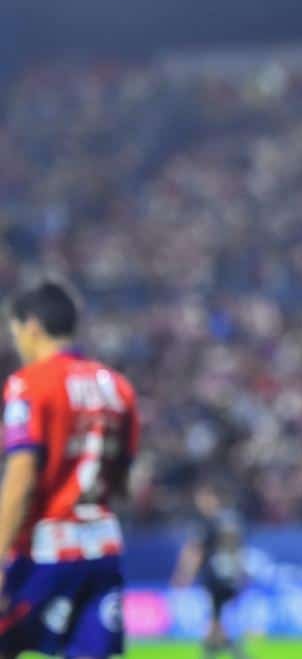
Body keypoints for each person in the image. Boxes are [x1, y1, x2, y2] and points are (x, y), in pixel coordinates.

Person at [0, 280, 138, 659]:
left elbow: (22, 476)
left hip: (46, 550)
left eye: (15, 332)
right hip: (103, 548)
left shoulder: (30, 384)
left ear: (31, 326)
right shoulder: (118, 387)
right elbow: (122, 479)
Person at [171, 484, 248, 659]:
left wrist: (185, 575)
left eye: (203, 498)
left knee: (214, 618)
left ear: (212, 498)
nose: (200, 502)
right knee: (216, 618)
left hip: (214, 576)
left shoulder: (207, 523)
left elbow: (195, 551)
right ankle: (225, 651)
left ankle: (223, 651)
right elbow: (237, 549)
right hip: (226, 575)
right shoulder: (229, 521)